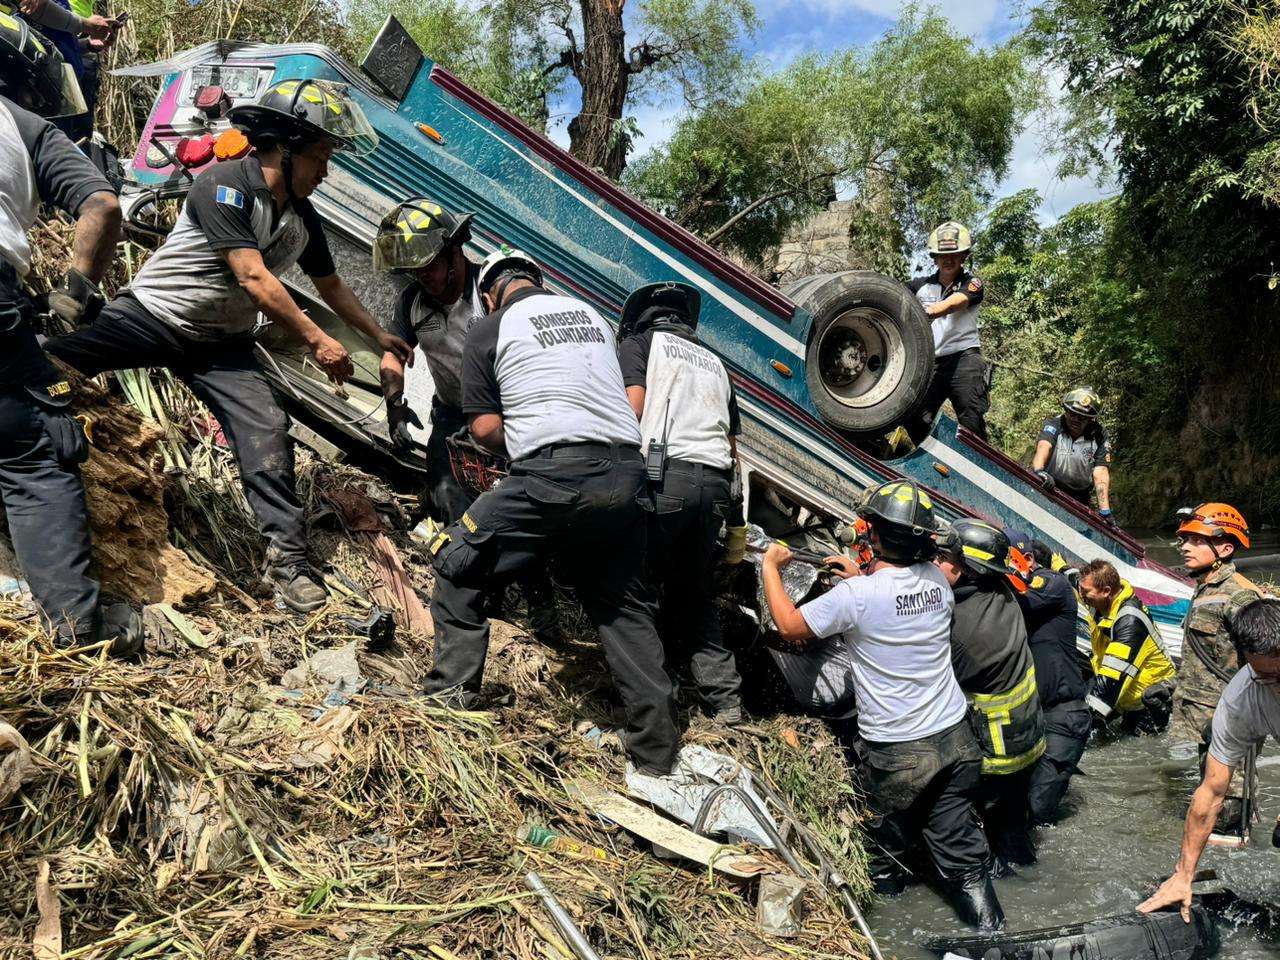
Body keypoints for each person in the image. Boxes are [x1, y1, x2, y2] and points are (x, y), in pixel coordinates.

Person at [45, 78, 413, 613]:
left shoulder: (302, 218)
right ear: (283, 149)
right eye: (320, 158)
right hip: (157, 316)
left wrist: (378, 335)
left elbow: (331, 286)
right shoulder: (223, 186)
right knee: (54, 360)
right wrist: (316, 340)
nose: (326, 172)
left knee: (265, 429)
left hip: (222, 345)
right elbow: (253, 277)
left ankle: (288, 563)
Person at [421, 251, 679, 776]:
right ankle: (657, 759)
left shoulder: (487, 329)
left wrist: (515, 443)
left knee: (455, 562)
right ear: (538, 281)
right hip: (627, 478)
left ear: (489, 294)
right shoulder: (592, 319)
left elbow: (487, 429)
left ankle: (449, 703)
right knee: (624, 612)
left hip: (553, 475)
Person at [761, 479, 1003, 931]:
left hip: (898, 752)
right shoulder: (937, 581)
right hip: (956, 737)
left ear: (872, 533)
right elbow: (897, 595)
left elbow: (791, 627)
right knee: (959, 849)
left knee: (883, 844)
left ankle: (889, 925)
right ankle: (993, 934)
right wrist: (858, 576)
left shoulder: (858, 597)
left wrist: (771, 568)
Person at [0, 22, 140, 653]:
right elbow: (103, 208)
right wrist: (73, 293)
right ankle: (76, 632)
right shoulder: (26, 126)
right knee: (36, 452)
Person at [617, 280, 746, 724]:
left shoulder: (639, 345)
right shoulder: (716, 363)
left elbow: (631, 410)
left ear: (644, 316)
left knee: (639, 589)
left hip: (663, 479)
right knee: (693, 592)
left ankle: (656, 698)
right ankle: (725, 700)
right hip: (714, 489)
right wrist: (737, 521)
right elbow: (731, 447)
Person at [1138, 598, 1280, 922]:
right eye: (1267, 677)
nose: (1277, 687)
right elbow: (1212, 791)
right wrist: (1184, 874)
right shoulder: (1241, 699)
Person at [936, 519, 1046, 872]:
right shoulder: (1000, 590)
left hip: (998, 750)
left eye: (945, 558)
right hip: (1028, 733)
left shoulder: (965, 631)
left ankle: (1012, 887)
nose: (937, 563)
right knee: (1016, 821)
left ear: (969, 568)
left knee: (997, 837)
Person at [372, 198, 478, 524]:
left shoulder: (487, 291)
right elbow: (393, 354)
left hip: (505, 419)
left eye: (428, 265)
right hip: (451, 416)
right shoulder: (412, 302)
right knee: (449, 500)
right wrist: (395, 405)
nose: (422, 276)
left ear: (454, 250)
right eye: (414, 270)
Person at [1170, 502, 1263, 839]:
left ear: (1224, 547)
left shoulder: (1240, 595)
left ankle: (1229, 883)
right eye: (1184, 540)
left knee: (1227, 815)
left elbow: (1268, 657)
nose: (1184, 547)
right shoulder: (1207, 588)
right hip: (1207, 722)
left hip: (1233, 724)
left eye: (1196, 540)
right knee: (1212, 807)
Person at [1006, 532, 1090, 825]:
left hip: (1062, 715)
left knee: (1037, 811)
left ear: (1027, 560)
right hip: (1032, 714)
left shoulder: (1051, 584)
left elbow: (1020, 601)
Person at [906, 221, 989, 443]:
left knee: (971, 420)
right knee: (915, 418)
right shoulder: (918, 286)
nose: (949, 259)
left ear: (964, 256)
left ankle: (978, 470)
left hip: (965, 359)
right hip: (932, 362)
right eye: (943, 255)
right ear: (934, 257)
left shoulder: (972, 284)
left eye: (955, 254)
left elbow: (955, 303)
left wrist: (926, 313)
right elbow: (892, 296)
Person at [1078, 559, 1177, 735]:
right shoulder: (1102, 600)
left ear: (1106, 591)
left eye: (1085, 592)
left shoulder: (1129, 622)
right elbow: (1071, 578)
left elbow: (1110, 682)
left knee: (1142, 746)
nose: (1081, 595)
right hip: (1129, 693)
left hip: (1151, 700)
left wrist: (1075, 727)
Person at [1031, 387, 1114, 521]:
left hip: (1080, 495)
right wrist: (1039, 471)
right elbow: (1044, 445)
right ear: (1066, 411)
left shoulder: (1099, 435)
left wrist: (1105, 510)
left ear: (1090, 419)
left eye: (1082, 417)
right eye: (1072, 414)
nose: (1075, 420)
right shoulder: (1055, 424)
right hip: (1050, 485)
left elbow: (1101, 471)